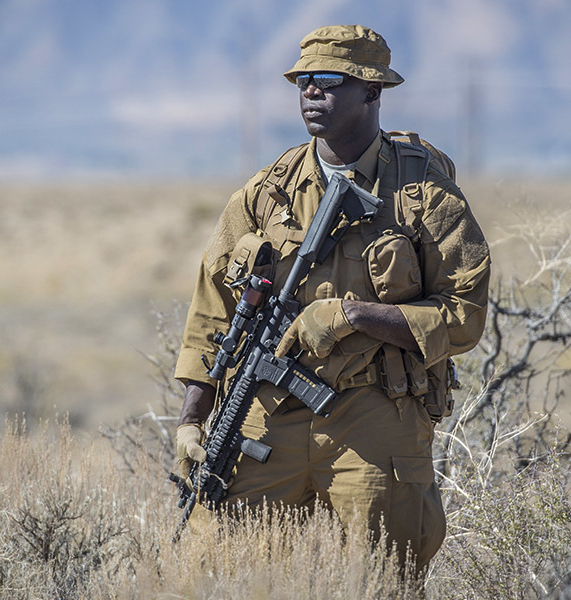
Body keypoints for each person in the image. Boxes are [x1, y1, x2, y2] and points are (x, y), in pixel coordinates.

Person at [174, 24, 490, 571]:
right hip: (266, 412)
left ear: (372, 90)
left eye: (329, 80)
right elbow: (212, 313)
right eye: (303, 81)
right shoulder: (267, 191)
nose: (311, 92)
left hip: (377, 413)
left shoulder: (426, 194)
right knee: (216, 565)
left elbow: (464, 315)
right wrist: (190, 420)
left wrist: (354, 315)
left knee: (385, 573)